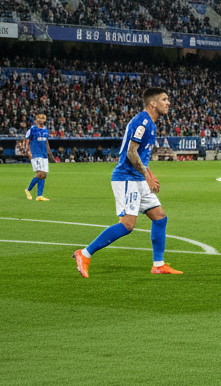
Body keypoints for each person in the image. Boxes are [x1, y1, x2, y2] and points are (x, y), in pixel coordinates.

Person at [73, 88, 182, 278]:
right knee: (127, 225)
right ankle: (84, 253)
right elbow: (131, 153)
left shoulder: (151, 124)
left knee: (160, 217)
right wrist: (147, 176)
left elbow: (141, 155)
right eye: (164, 99)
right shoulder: (143, 122)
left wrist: (149, 173)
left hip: (137, 177)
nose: (168, 102)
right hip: (126, 178)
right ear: (152, 103)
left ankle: (158, 264)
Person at [19, 113, 51, 201]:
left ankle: (39, 196)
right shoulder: (32, 129)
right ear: (36, 120)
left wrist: (49, 152)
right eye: (39, 118)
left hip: (44, 154)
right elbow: (26, 140)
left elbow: (46, 141)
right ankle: (28, 190)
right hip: (36, 154)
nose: (41, 120)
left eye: (43, 119)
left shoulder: (45, 129)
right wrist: (27, 151)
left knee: (43, 175)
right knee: (40, 173)